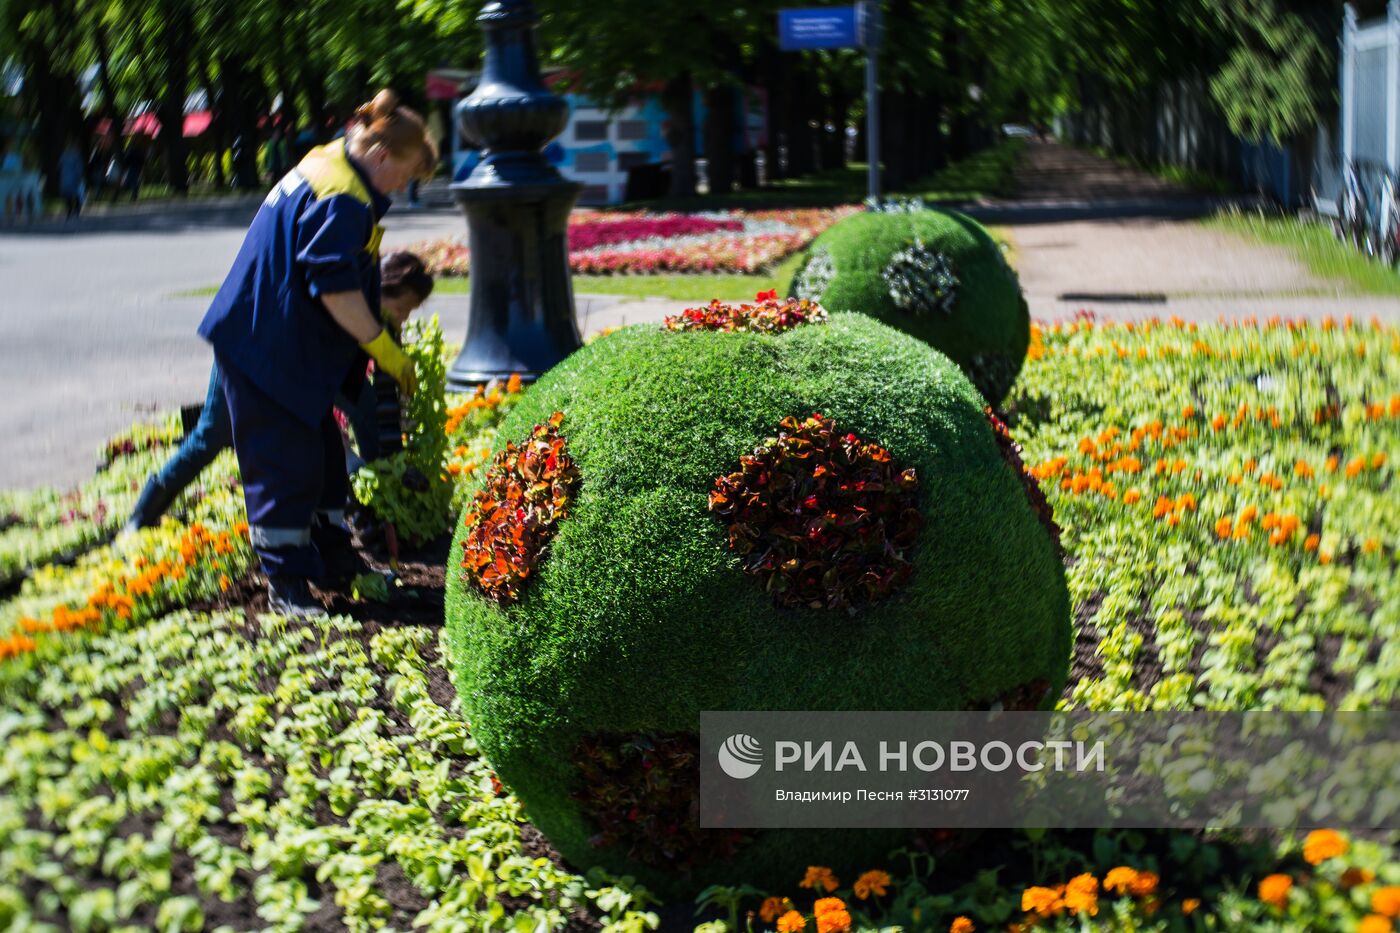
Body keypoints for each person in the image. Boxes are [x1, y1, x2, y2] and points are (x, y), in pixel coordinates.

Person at [195, 88, 436, 617]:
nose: (406, 185)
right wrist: (382, 349)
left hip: (280, 348)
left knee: (325, 457)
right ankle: (287, 585)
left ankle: (331, 557)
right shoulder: (343, 196)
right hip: (265, 349)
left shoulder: (334, 166)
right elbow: (333, 287)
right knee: (285, 465)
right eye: (406, 171)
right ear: (379, 155)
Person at [122, 250, 434, 534]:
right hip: (247, 343)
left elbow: (382, 399)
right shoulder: (341, 300)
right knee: (211, 435)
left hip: (310, 366)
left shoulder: (383, 322)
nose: (404, 317)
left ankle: (367, 502)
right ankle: (142, 515)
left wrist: (393, 466)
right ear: (382, 288)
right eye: (403, 307)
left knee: (363, 408)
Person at [58, 143, 86, 218]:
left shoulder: (64, 155)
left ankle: (69, 211)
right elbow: (79, 167)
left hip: (65, 178)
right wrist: (79, 176)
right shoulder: (76, 155)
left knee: (68, 195)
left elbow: (60, 166)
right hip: (74, 178)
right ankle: (77, 210)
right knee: (76, 195)